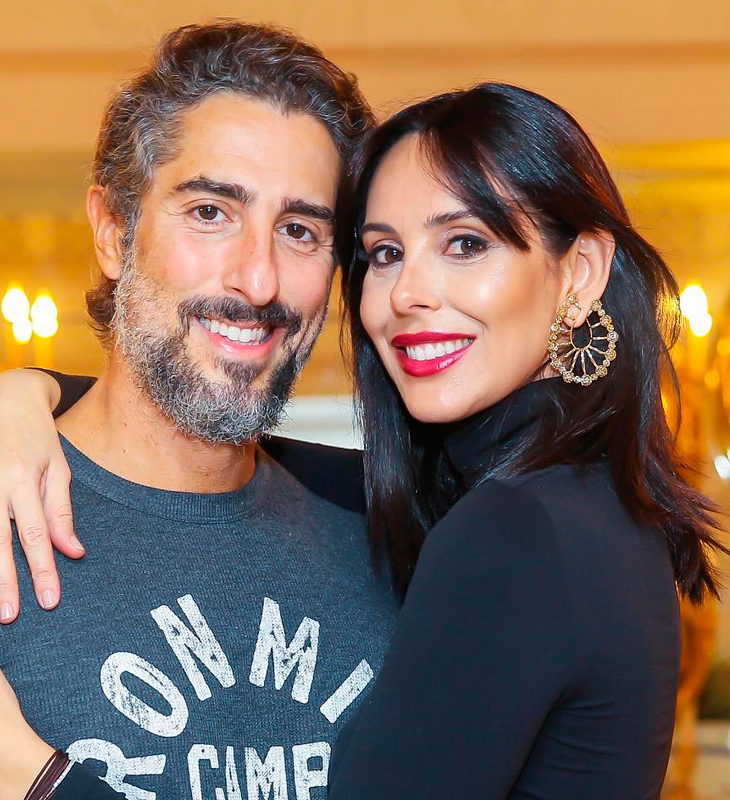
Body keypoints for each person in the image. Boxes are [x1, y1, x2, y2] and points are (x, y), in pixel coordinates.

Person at [1, 83, 727, 799]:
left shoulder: (513, 529)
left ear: (581, 271)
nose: (408, 291)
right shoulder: (464, 505)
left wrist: (32, 777)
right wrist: (30, 389)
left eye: (466, 244)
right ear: (112, 231)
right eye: (384, 253)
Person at [0, 20, 399, 800]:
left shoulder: (393, 534)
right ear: (114, 232)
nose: (258, 280)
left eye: (299, 230)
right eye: (211, 212)